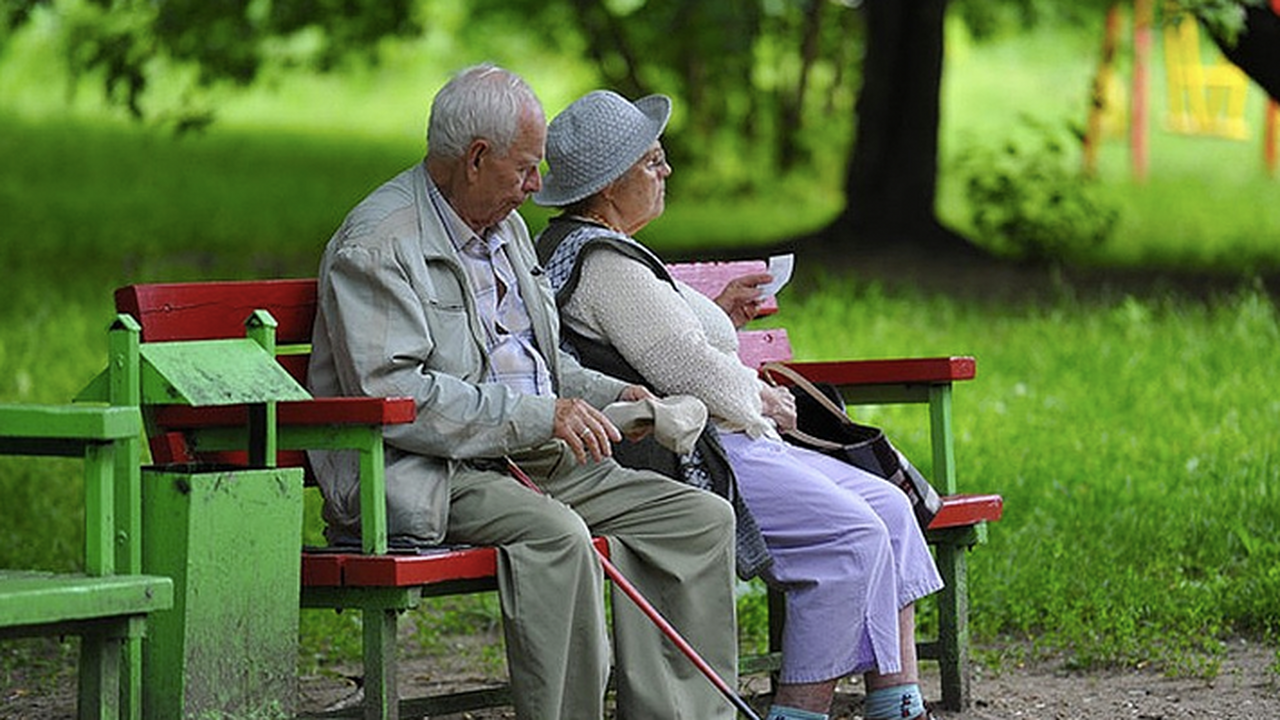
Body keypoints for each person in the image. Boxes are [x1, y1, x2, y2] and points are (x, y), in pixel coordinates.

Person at [307, 65, 739, 720]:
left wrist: (615, 395)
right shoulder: (379, 244)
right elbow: (400, 399)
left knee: (697, 519)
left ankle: (678, 714)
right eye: (525, 169)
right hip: (431, 473)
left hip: (528, 458)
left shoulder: (503, 227)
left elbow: (538, 363)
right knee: (558, 536)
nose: (539, 188)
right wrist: (544, 416)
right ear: (475, 159)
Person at [533, 89, 944, 720]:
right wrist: (762, 402)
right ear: (611, 186)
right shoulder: (604, 263)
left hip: (720, 433)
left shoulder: (606, 250)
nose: (665, 171)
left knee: (889, 508)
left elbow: (664, 338)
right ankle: (798, 711)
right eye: (652, 161)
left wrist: (718, 315)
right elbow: (685, 367)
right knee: (852, 535)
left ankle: (896, 703)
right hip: (692, 450)